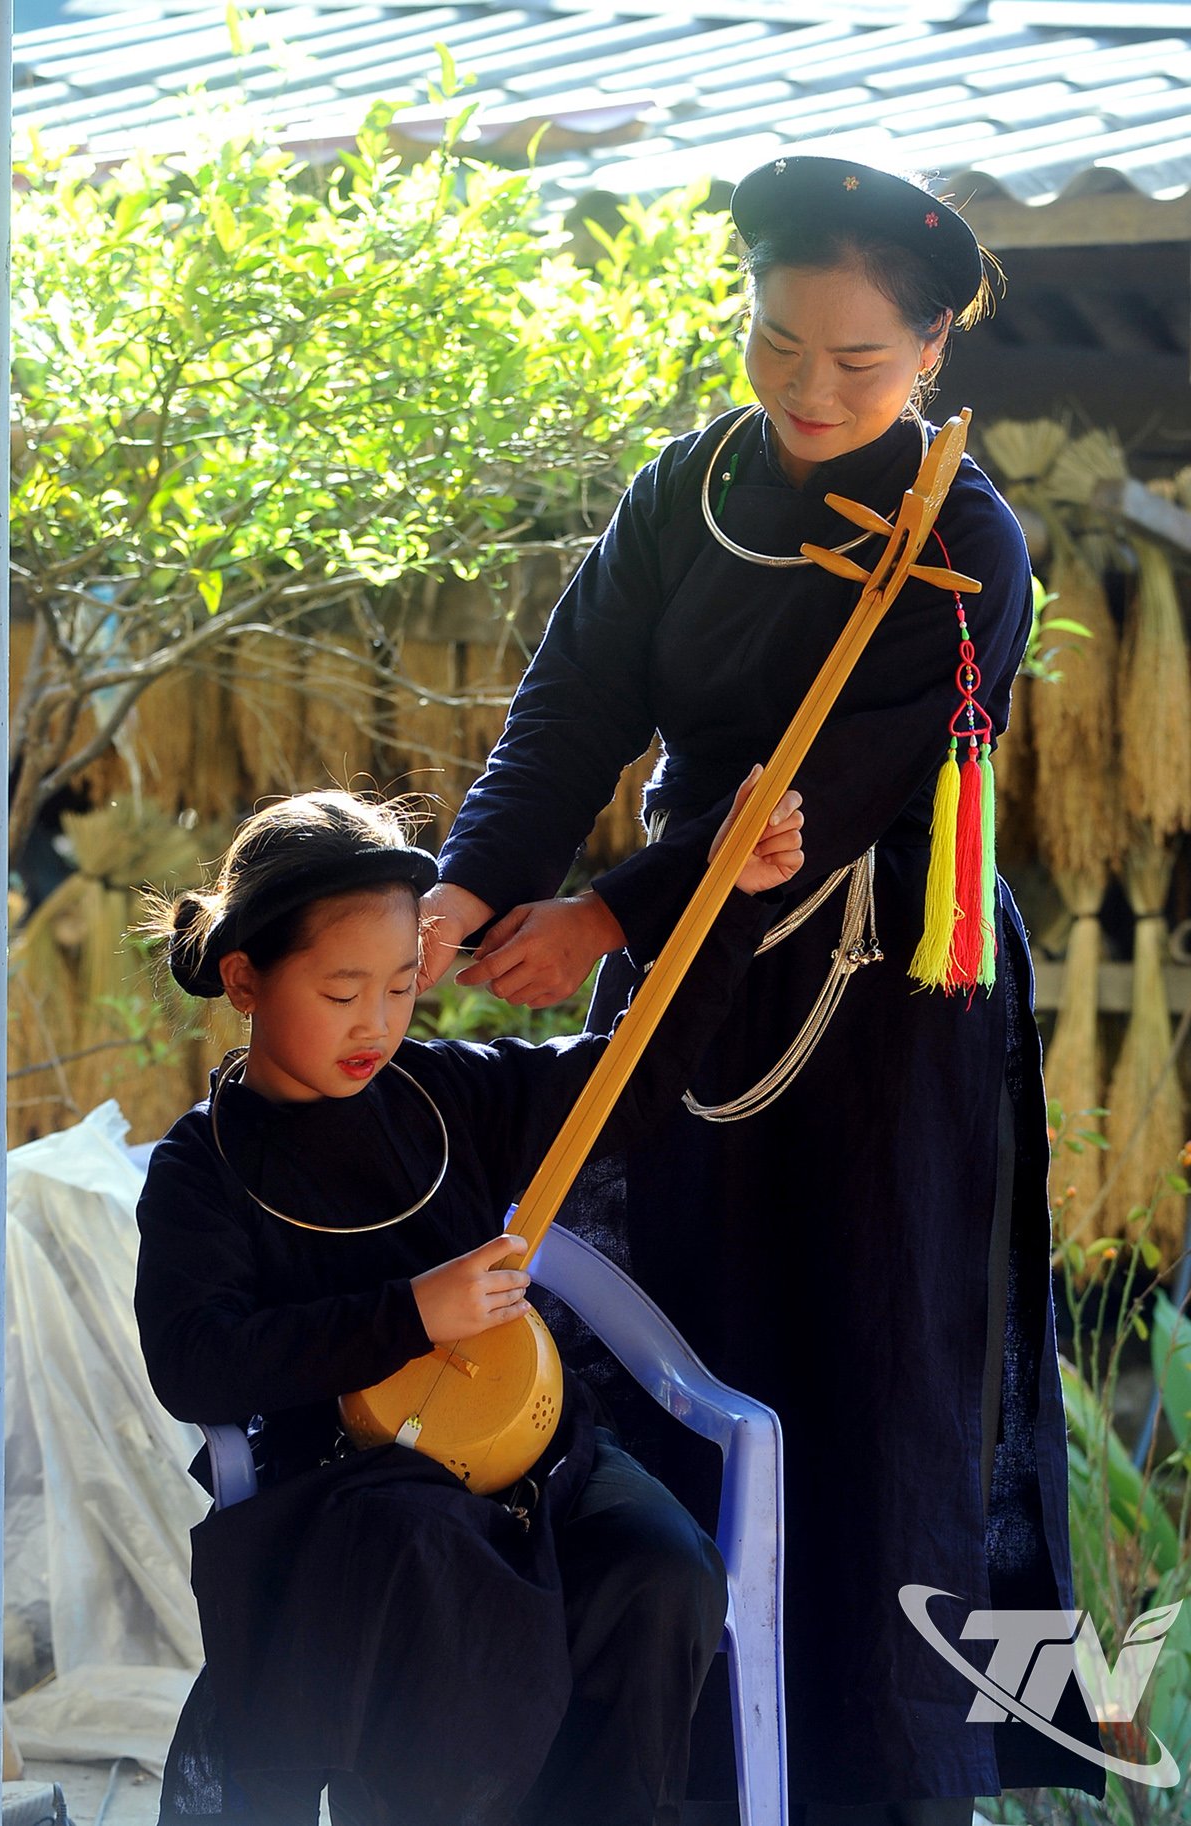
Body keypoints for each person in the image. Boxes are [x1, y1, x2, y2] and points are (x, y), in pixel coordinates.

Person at [421, 156, 1107, 1822]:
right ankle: (666, 1772)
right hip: (683, 985)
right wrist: (466, 889)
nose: (808, 389)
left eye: (859, 362)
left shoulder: (969, 547)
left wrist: (600, 918)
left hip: (883, 1009)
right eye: (775, 342)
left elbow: (839, 800)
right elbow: (571, 706)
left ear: (936, 343)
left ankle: (887, 1787)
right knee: (663, 1342)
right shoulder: (690, 488)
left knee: (882, 1382)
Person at [133, 779, 802, 1826]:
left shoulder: (441, 1095)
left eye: (402, 986)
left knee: (662, 1570)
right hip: (353, 1492)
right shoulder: (203, 1164)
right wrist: (411, 1312)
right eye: (344, 989)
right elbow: (192, 1361)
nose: (378, 1022)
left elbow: (627, 1081)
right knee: (440, 1587)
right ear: (246, 976)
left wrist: (730, 898)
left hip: (538, 1458)